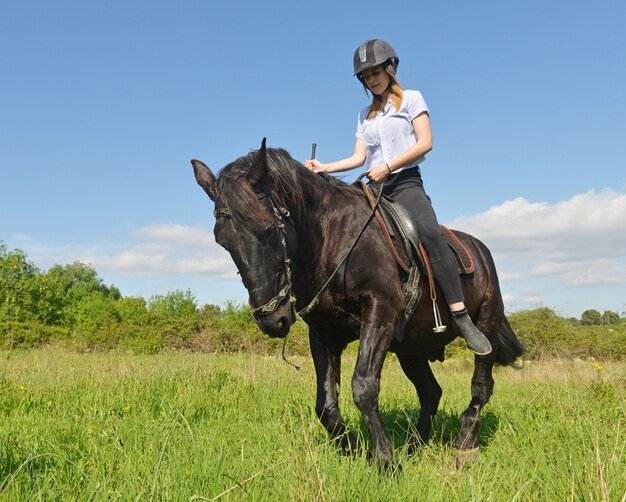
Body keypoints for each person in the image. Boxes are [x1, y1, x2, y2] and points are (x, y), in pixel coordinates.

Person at [303, 39, 492, 355]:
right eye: (366, 76)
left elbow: (425, 142)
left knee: (430, 235)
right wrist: (323, 168)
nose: (372, 80)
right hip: (373, 188)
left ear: (390, 69)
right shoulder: (365, 114)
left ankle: (460, 316)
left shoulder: (412, 99)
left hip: (405, 185)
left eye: (376, 72)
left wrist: (389, 166)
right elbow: (358, 158)